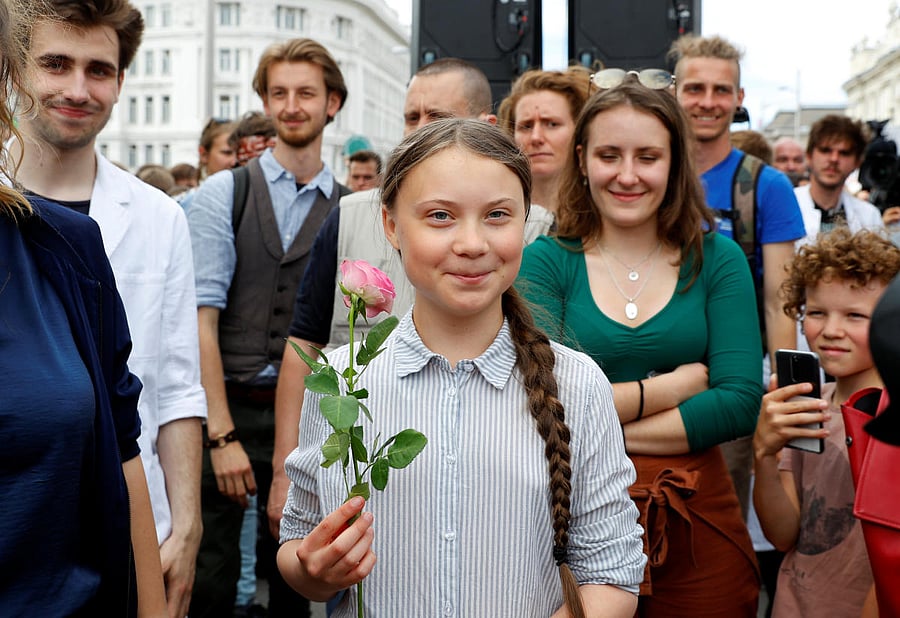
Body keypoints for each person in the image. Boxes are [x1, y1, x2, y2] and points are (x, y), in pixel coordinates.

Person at [276, 117, 646, 617]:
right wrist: (313, 569)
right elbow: (298, 542)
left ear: (526, 219)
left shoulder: (577, 384)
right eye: (440, 216)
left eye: (497, 215)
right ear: (391, 225)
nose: (472, 243)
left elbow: (611, 576)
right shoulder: (342, 382)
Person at [270, 57, 555, 543]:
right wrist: (285, 467)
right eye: (410, 117)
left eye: (437, 118)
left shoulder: (536, 235)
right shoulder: (349, 217)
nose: (419, 131)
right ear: (391, 225)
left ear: (485, 127)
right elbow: (306, 344)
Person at [518, 79, 764, 615]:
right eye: (609, 155)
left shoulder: (717, 260)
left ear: (675, 163)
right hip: (569, 520)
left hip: (699, 525)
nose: (627, 175)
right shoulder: (544, 262)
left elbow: (741, 401)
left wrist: (603, 417)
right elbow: (541, 400)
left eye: (648, 156)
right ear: (582, 160)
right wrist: (669, 387)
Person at [9, 1, 206, 616]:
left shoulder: (160, 217)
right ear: (15, 70)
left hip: (134, 522)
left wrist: (188, 524)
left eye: (99, 69)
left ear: (121, 82)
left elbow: (175, 386)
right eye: (55, 64)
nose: (77, 88)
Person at [187, 37, 349, 618]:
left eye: (306, 92)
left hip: (312, 417)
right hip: (223, 404)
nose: (291, 105)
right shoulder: (222, 194)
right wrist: (222, 436)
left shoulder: (353, 209)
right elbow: (200, 322)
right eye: (278, 92)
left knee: (296, 576)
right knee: (209, 576)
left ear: (332, 103)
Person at [670, 34, 806, 528]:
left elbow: (780, 301)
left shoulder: (765, 185)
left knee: (715, 527)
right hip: (653, 374)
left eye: (721, 90)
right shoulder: (647, 175)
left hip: (730, 386)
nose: (708, 102)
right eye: (696, 88)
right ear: (675, 92)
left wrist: (782, 392)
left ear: (739, 99)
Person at [752, 228, 900, 616]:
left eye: (855, 315)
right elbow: (784, 534)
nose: (831, 331)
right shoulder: (805, 407)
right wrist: (764, 453)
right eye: (817, 313)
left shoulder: (893, 420)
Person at [497, 65, 594, 214]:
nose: (536, 138)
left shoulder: (603, 216)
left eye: (551, 124)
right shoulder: (494, 208)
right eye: (526, 126)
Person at [794, 114, 883, 245]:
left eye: (844, 153)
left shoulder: (869, 217)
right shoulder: (785, 206)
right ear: (809, 156)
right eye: (825, 150)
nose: (834, 159)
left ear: (857, 162)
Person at [177, 117, 237, 211]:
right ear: (204, 154)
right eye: (227, 153)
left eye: (239, 152)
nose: (234, 161)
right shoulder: (185, 205)